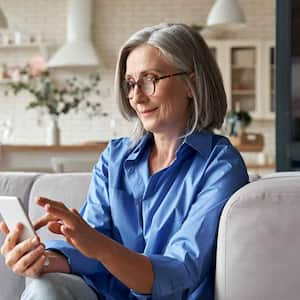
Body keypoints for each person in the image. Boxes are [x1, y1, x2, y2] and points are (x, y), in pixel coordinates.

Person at [0, 23, 248, 300]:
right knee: (44, 287)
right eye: (131, 83)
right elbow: (91, 250)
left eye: (149, 79)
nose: (136, 97)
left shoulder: (220, 165)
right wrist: (42, 259)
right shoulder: (115, 158)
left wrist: (97, 244)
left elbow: (180, 271)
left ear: (191, 84)